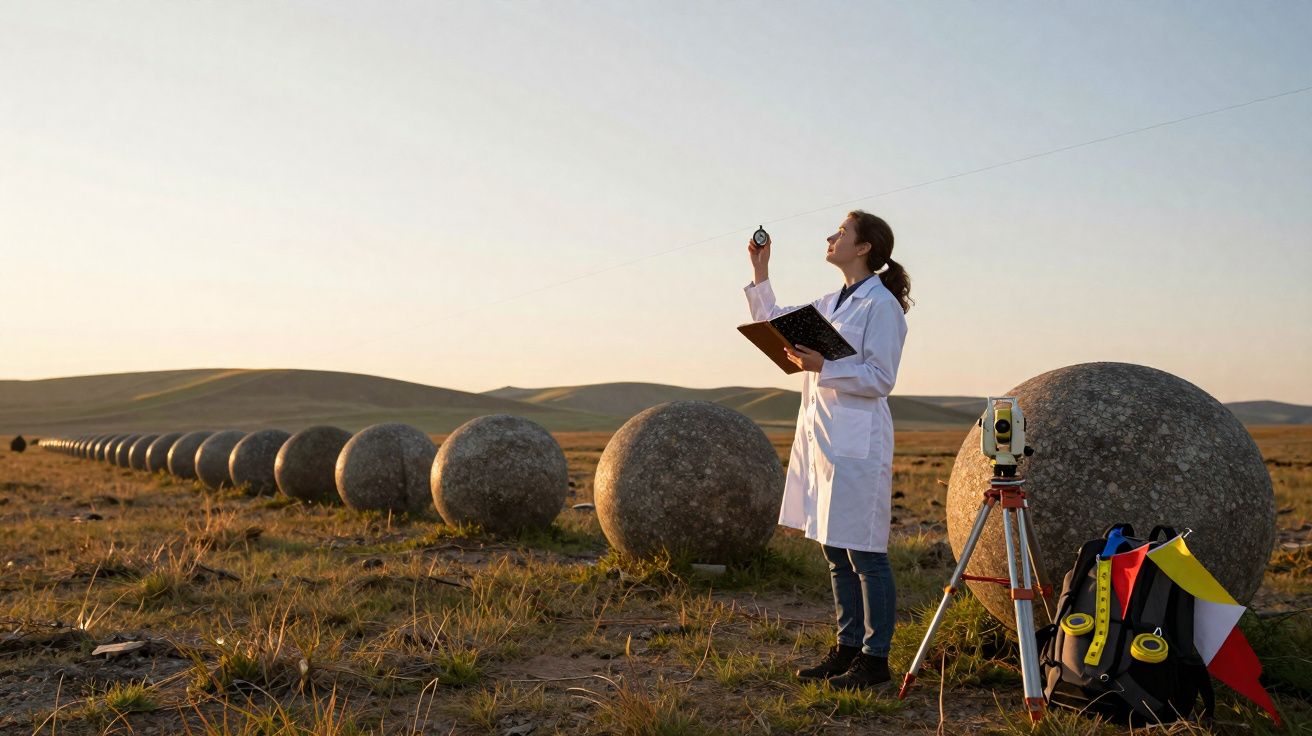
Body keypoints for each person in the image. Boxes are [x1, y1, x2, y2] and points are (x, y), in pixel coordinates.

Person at [744, 211, 911, 689]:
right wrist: (761, 270)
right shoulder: (833, 301)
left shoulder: (882, 307)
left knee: (866, 553)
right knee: (835, 549)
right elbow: (776, 324)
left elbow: (881, 378)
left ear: (863, 248)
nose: (830, 237)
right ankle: (847, 649)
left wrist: (824, 366)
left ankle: (876, 661)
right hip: (825, 442)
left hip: (858, 443)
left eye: (840, 232)